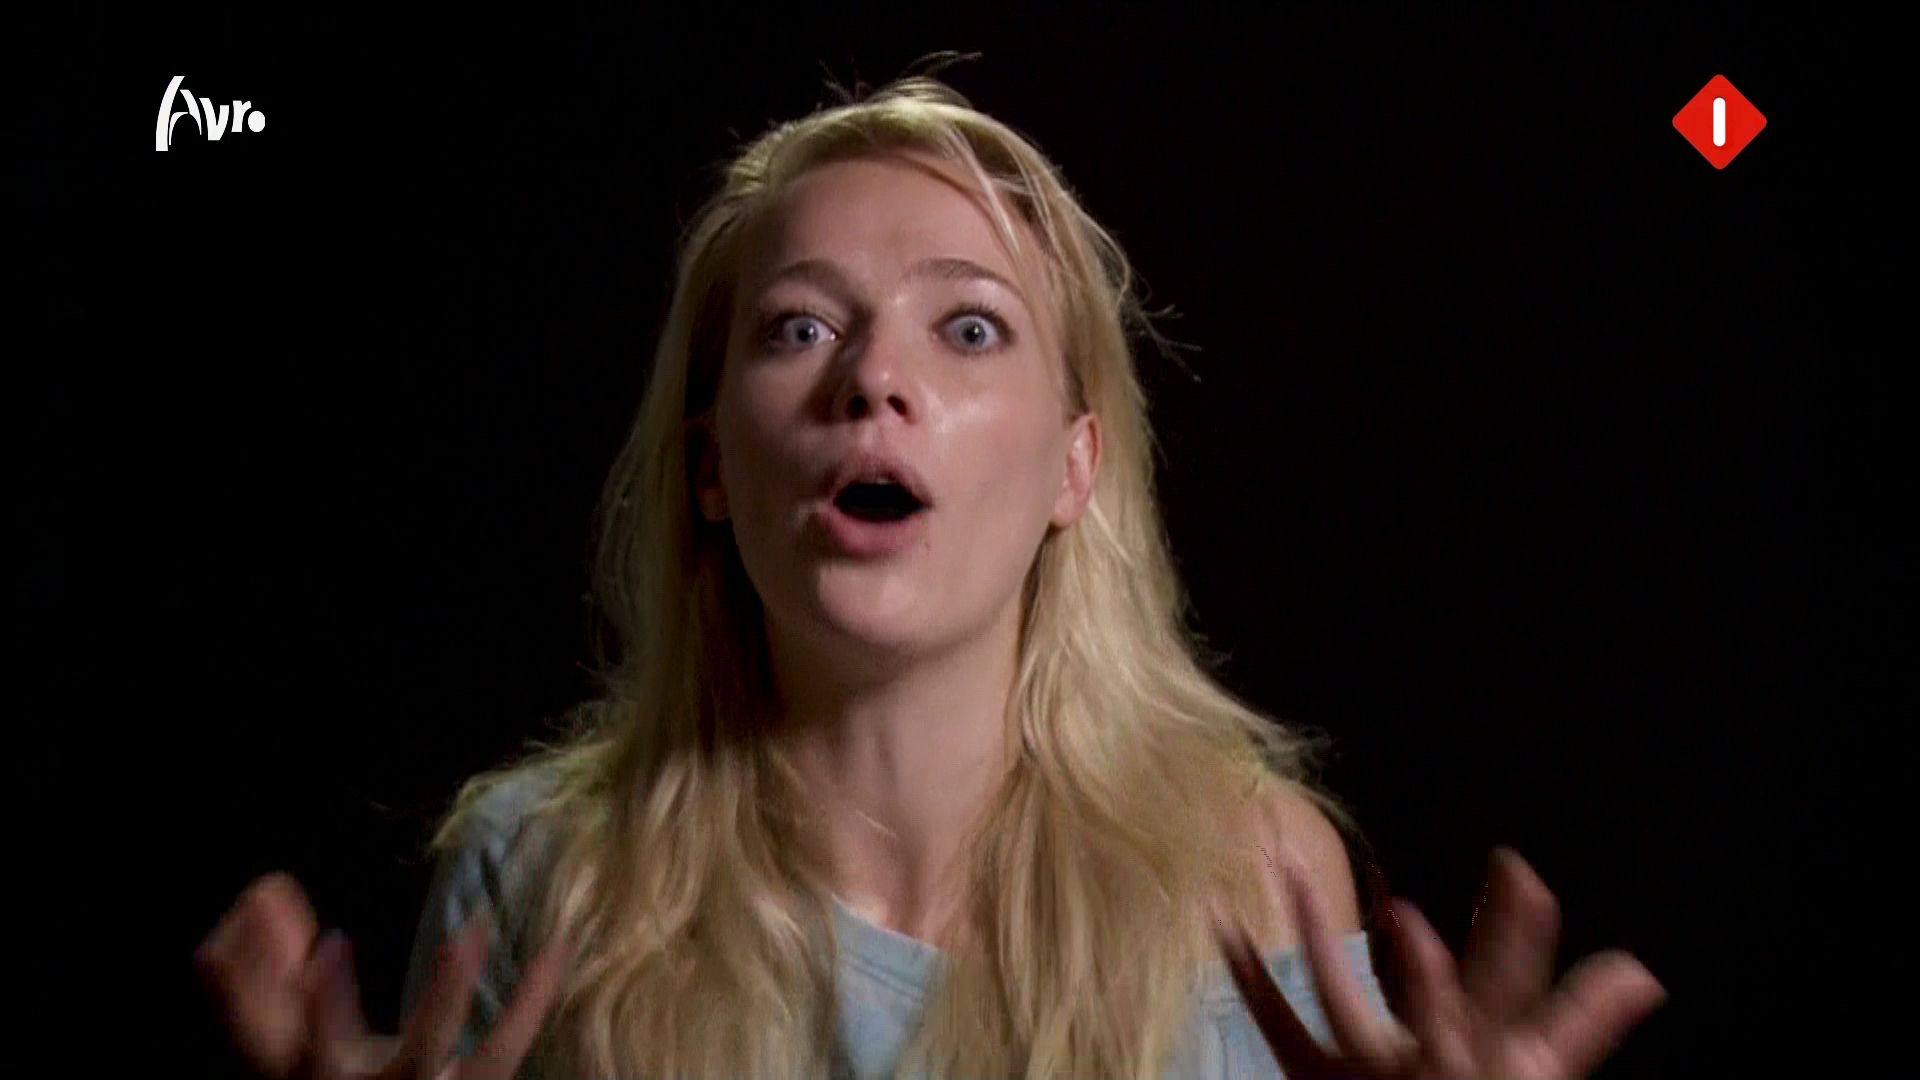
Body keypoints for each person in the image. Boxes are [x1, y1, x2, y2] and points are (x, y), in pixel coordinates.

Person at [195, 69, 1667, 1079]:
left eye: (968, 330)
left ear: (1075, 469)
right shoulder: (537, 877)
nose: (871, 378)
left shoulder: (1251, 871)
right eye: (798, 329)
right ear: (711, 467)